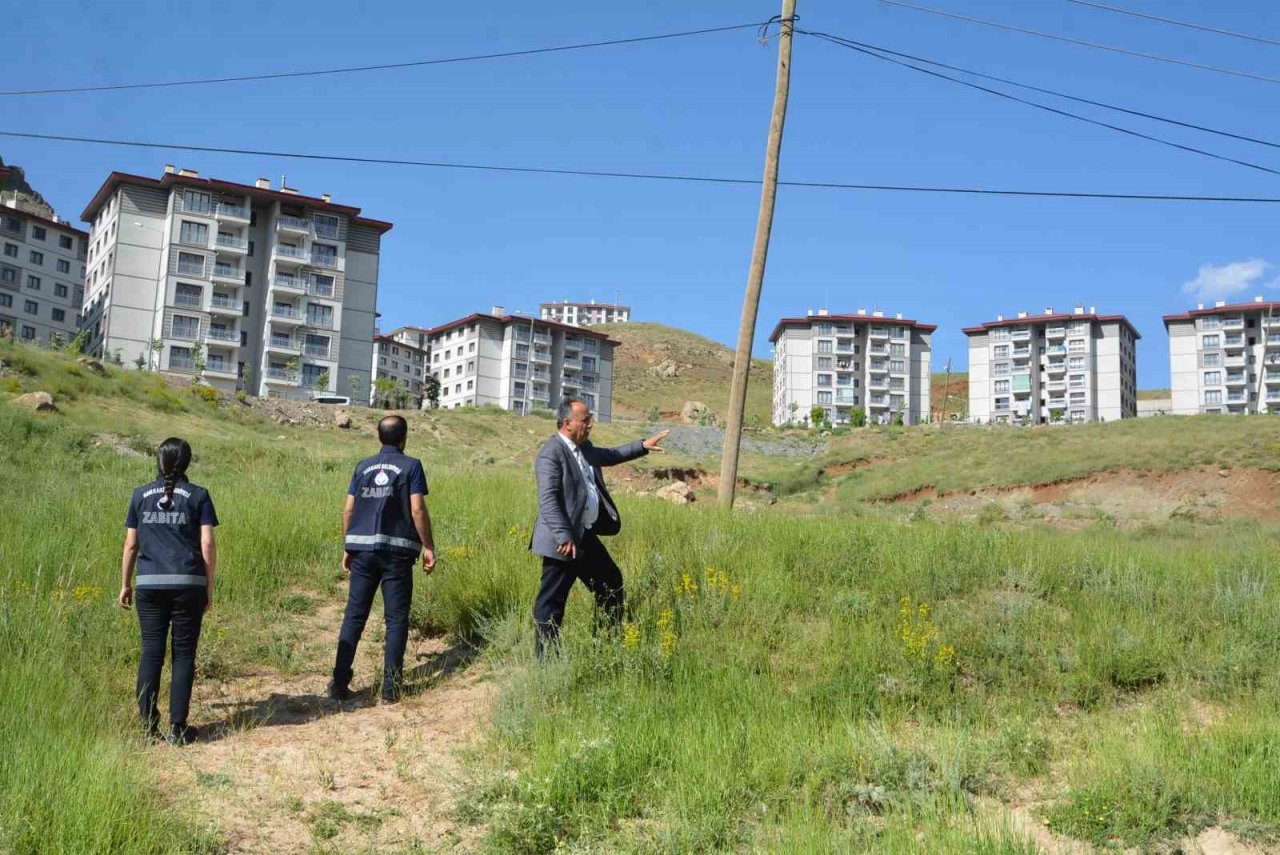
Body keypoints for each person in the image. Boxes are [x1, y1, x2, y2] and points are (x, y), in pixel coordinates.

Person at [530, 398, 669, 657]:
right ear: (567, 422)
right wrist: (564, 535)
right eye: (585, 420)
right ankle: (547, 662)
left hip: (584, 536)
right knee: (552, 602)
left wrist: (643, 446)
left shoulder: (586, 448)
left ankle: (605, 645)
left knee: (610, 583)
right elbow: (547, 498)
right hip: (562, 540)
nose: (590, 425)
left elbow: (612, 455)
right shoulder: (552, 452)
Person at [118, 437, 218, 745]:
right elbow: (207, 544)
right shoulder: (199, 495)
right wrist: (208, 585)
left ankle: (148, 729)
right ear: (187, 463)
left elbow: (131, 544)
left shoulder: (139, 495)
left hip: (148, 584)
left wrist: (125, 583)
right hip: (188, 584)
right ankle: (178, 728)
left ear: (159, 462)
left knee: (151, 654)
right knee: (183, 655)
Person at [331, 415, 436, 703]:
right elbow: (417, 510)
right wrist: (428, 546)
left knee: (354, 615)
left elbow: (348, 510)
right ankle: (390, 689)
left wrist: (348, 545)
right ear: (404, 438)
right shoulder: (411, 466)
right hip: (397, 554)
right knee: (396, 619)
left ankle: (338, 684)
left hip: (362, 550)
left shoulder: (363, 466)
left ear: (379, 438)